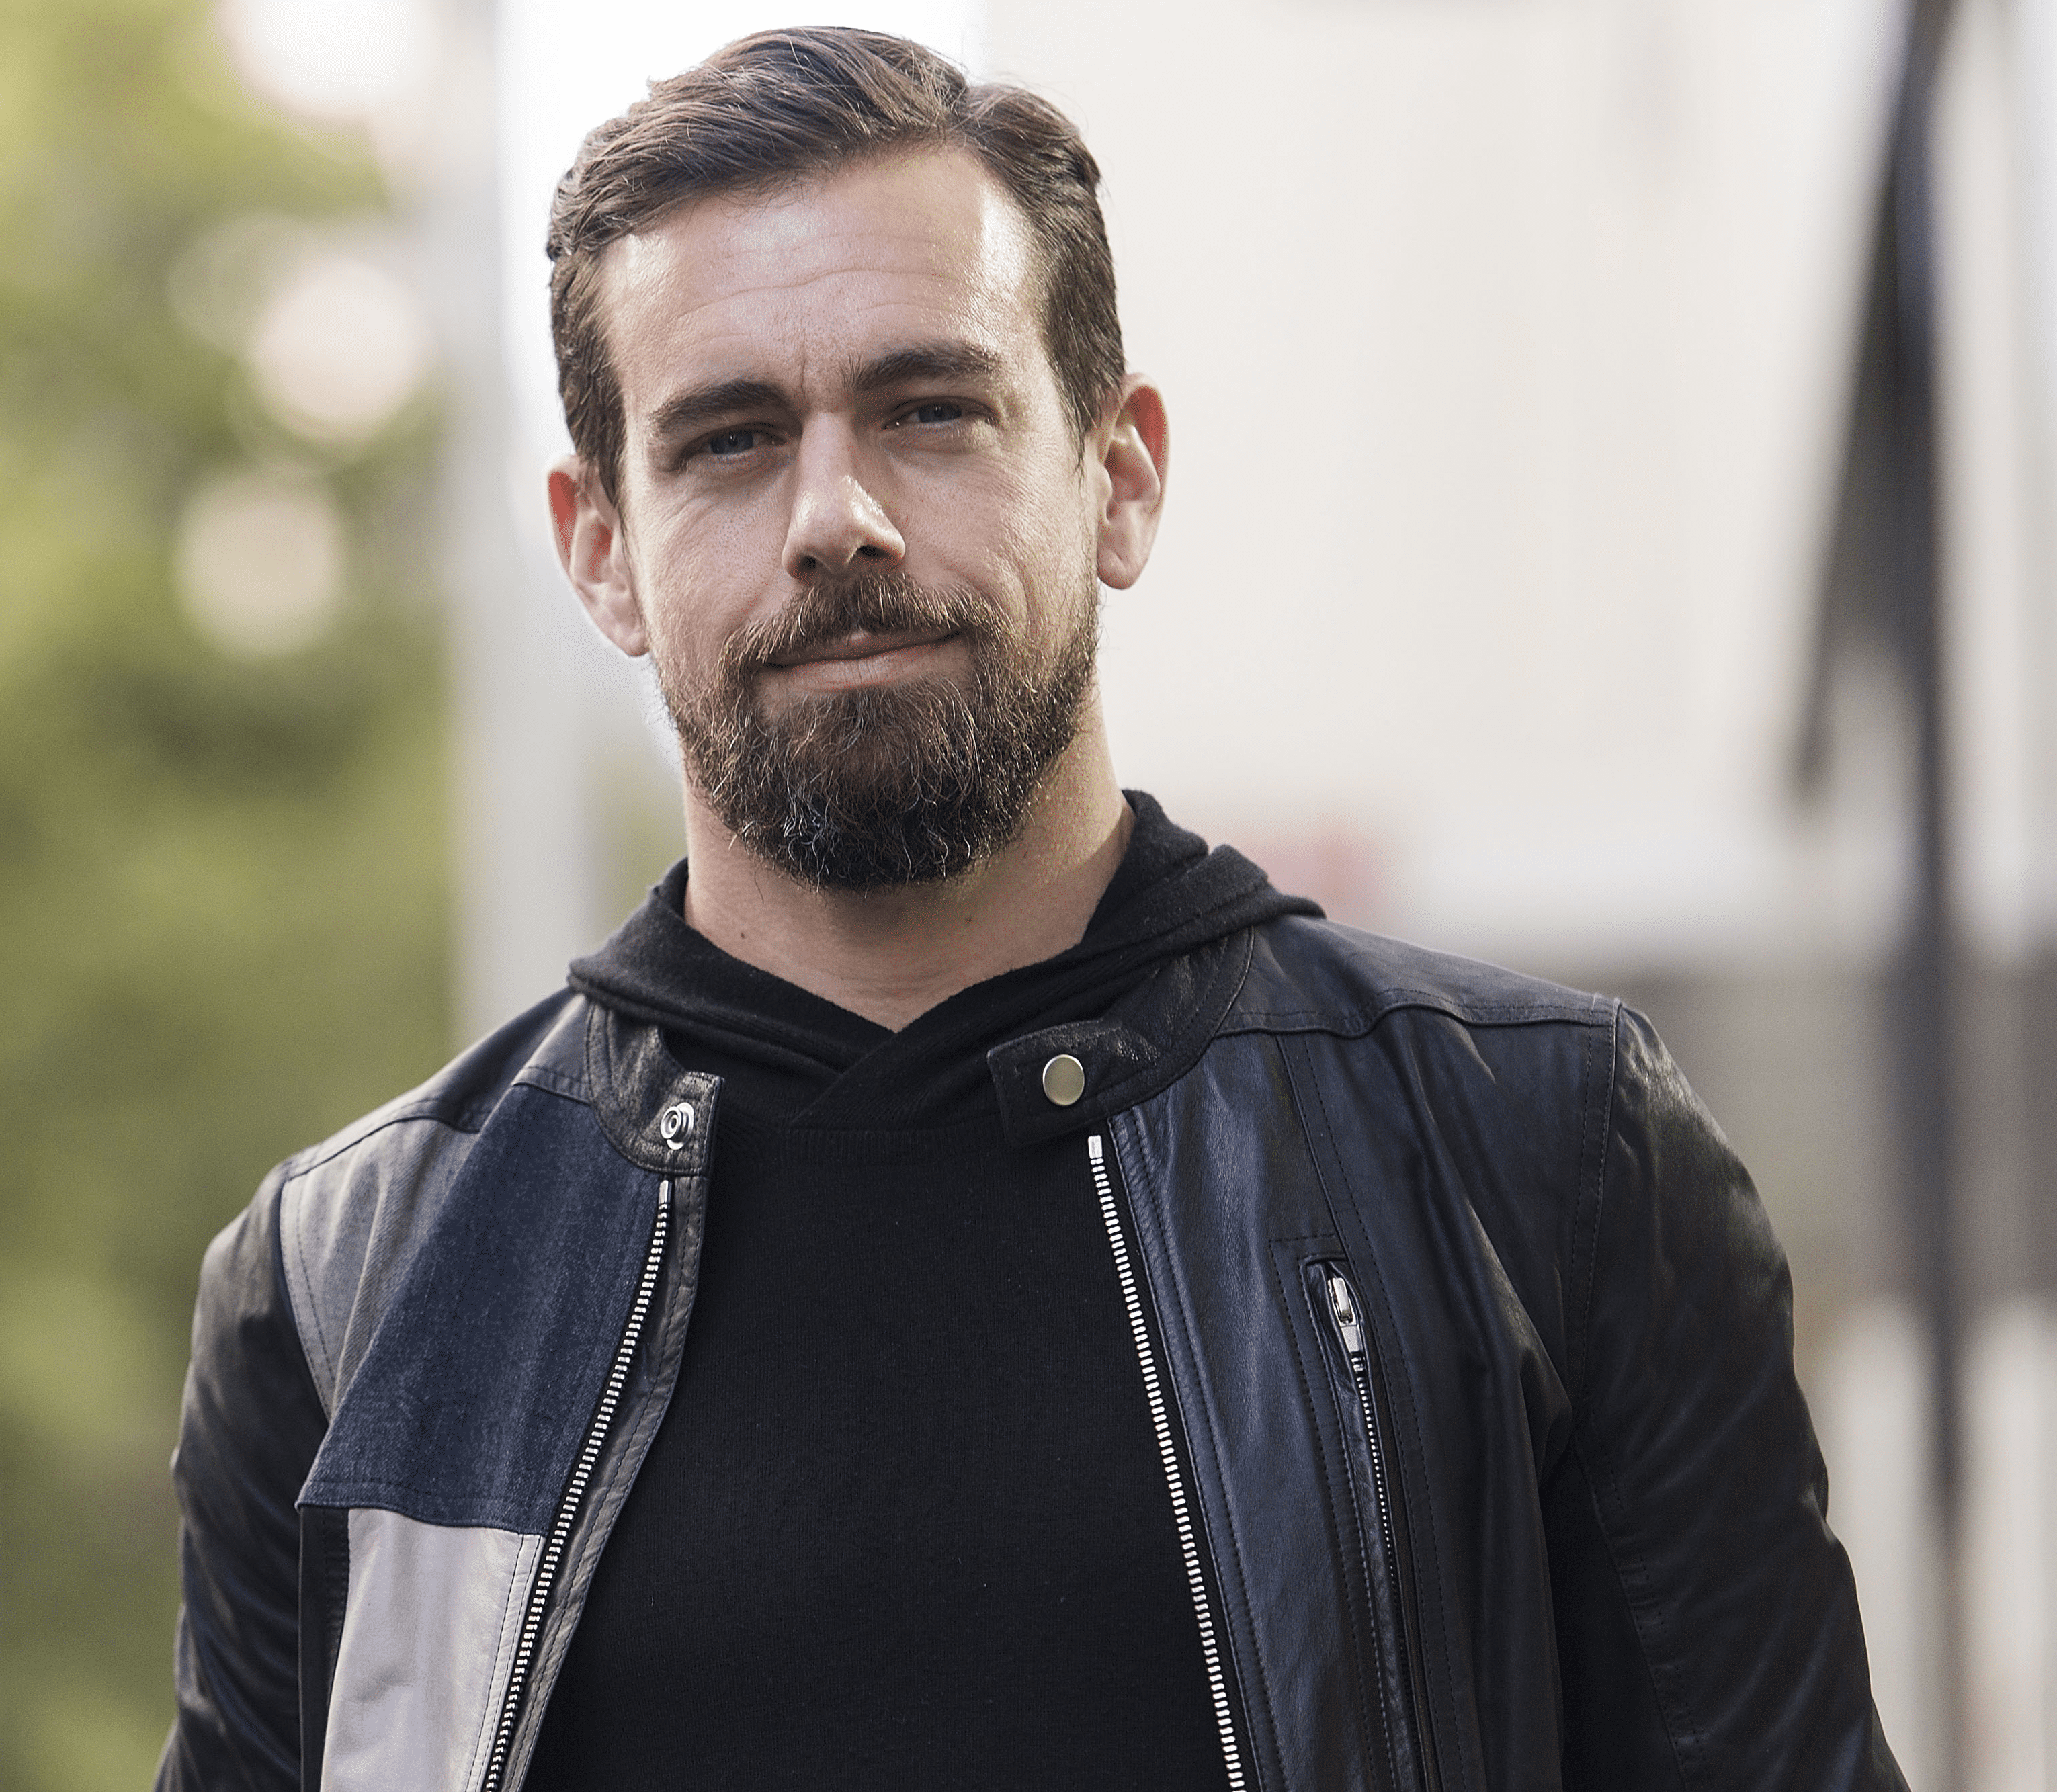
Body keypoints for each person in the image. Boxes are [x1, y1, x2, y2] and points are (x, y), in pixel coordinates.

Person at [156, 28, 1898, 1792]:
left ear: (1119, 473)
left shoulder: (1545, 1174)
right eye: (730, 441)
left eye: (929, 409)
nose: (837, 518)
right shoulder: (351, 1297)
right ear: (601, 545)